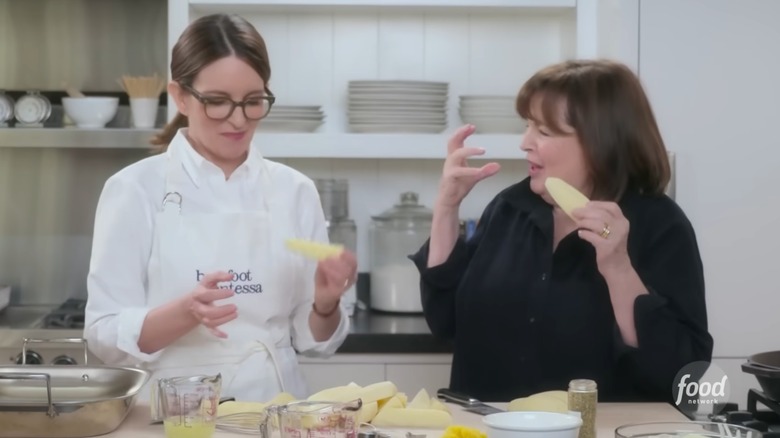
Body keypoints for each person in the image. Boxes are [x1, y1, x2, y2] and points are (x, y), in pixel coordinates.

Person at [84, 13, 357, 402]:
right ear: (180, 96)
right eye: (217, 102)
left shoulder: (294, 191)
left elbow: (314, 342)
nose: (238, 119)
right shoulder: (134, 189)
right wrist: (185, 312)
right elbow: (104, 336)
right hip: (173, 415)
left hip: (275, 409)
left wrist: (326, 304)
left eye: (253, 101)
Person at [410, 59, 713, 403]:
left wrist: (617, 269)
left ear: (600, 141)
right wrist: (447, 208)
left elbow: (685, 376)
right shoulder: (509, 208)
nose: (525, 142)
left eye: (544, 131)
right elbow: (444, 321)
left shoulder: (661, 226)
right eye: (527, 126)